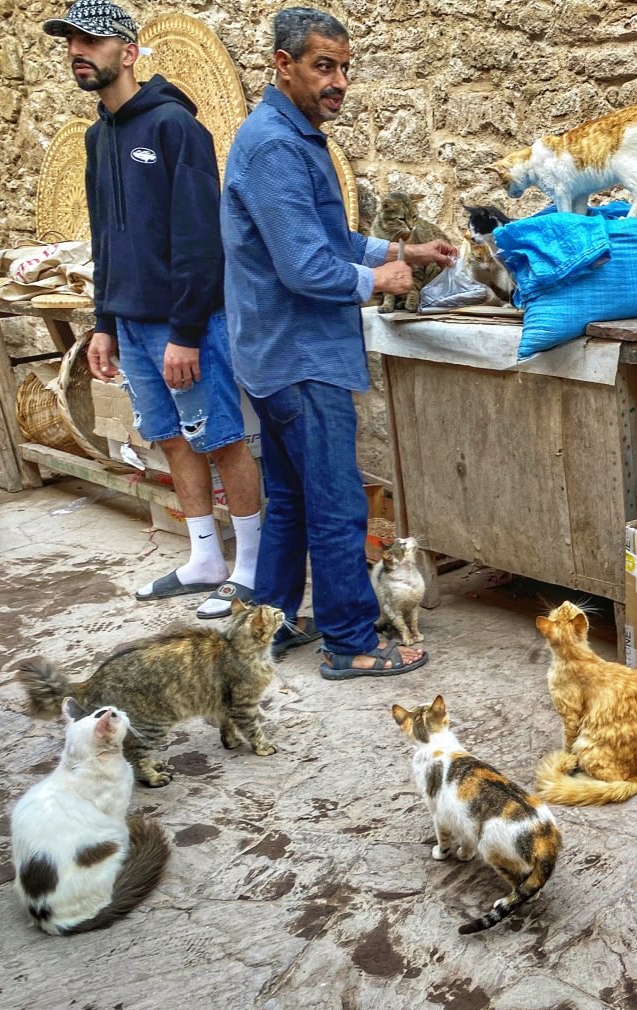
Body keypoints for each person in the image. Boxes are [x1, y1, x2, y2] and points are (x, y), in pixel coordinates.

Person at [221, 7, 457, 677]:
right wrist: (377, 277)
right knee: (335, 502)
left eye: (345, 68)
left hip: (280, 352)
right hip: (299, 355)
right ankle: (351, 643)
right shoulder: (274, 145)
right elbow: (305, 266)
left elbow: (330, 238)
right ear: (283, 65)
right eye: (325, 66)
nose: (339, 82)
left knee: (294, 497)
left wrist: (401, 248)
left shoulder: (294, 139)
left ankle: (262, 630)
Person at [43, 0, 262, 620]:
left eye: (91, 41)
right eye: (71, 44)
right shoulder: (97, 136)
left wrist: (188, 333)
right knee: (169, 439)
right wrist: (103, 324)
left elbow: (200, 240)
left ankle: (249, 567)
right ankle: (204, 559)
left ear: (129, 52)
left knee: (220, 439)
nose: (78, 53)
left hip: (184, 325)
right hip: (132, 326)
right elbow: (105, 238)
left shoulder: (175, 128)